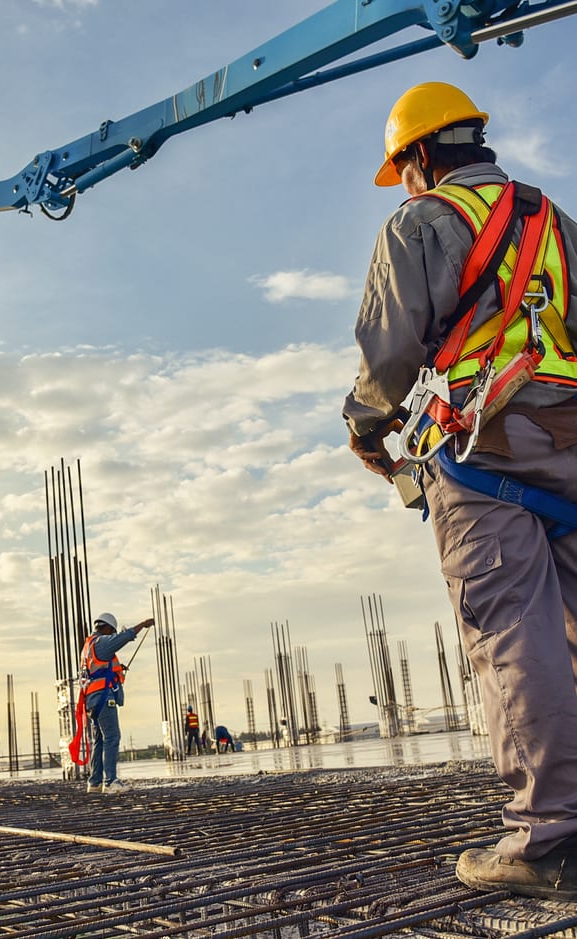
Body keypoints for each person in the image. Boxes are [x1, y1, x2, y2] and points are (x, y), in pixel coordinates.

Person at [343, 81, 577, 901]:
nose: (402, 183)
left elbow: (389, 350)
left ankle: (549, 838)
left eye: (401, 166)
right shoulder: (552, 220)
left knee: (514, 635)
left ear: (419, 155)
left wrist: (365, 427)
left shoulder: (419, 222)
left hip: (484, 451)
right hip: (573, 440)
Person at [80, 611, 154, 794]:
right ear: (106, 628)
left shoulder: (88, 646)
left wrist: (117, 669)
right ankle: (111, 781)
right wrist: (143, 624)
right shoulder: (102, 642)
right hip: (104, 698)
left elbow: (98, 669)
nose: (112, 635)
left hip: (92, 699)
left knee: (99, 739)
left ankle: (95, 782)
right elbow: (123, 637)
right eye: (111, 632)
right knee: (112, 737)